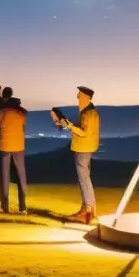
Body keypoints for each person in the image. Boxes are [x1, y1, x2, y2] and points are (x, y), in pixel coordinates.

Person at [53, 85, 101, 224]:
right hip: (85, 148)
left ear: (87, 97)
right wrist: (70, 125)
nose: (77, 97)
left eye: (79, 94)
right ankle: (87, 209)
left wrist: (70, 126)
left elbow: (84, 132)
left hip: (83, 149)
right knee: (84, 179)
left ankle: (88, 212)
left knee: (84, 179)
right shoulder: (88, 112)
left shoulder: (89, 113)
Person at [0, 86, 28, 214]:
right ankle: (23, 206)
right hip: (19, 146)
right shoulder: (21, 112)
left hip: (4, 146)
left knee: (4, 176)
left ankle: (5, 206)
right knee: (21, 175)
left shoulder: (3, 111)